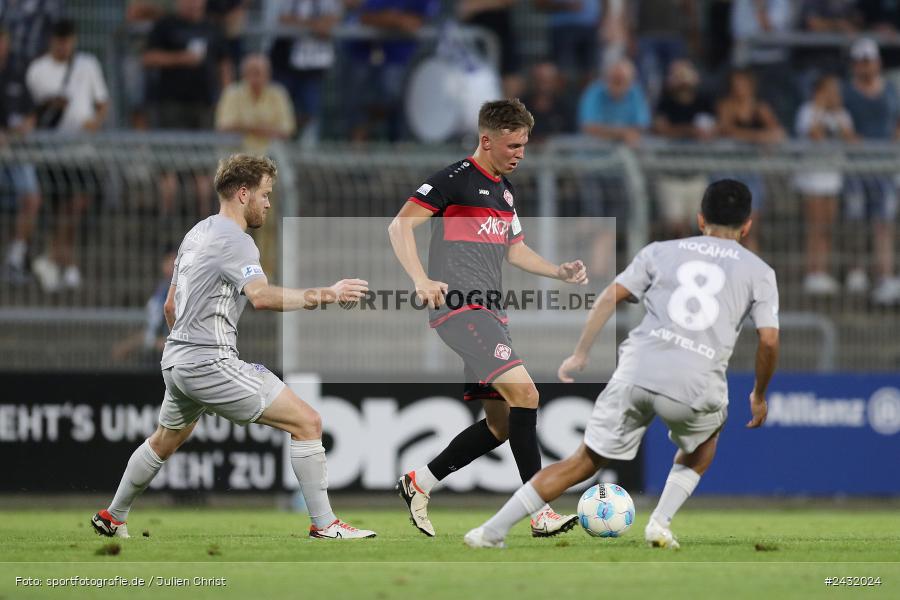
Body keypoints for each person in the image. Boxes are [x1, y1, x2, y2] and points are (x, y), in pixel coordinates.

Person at [465, 179, 779, 549]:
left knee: (582, 461)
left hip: (637, 369)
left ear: (699, 219)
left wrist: (581, 354)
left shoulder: (660, 251)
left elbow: (610, 297)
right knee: (704, 442)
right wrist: (758, 393)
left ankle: (490, 531)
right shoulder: (759, 271)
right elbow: (769, 339)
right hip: (696, 379)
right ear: (748, 225)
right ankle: (659, 524)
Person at [92, 154, 376, 541]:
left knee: (165, 439)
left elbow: (170, 306)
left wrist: (188, 357)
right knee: (307, 422)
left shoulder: (196, 233)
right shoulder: (236, 242)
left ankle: (114, 515)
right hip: (209, 360)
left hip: (176, 361)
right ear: (244, 193)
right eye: (265, 194)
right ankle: (325, 525)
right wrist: (329, 293)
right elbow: (260, 297)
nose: (268, 203)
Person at [388, 99, 588, 538]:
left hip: (489, 310)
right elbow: (399, 227)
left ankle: (419, 481)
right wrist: (421, 279)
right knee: (527, 394)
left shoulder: (505, 192)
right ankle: (540, 511)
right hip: (462, 307)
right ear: (486, 140)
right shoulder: (454, 180)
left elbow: (515, 250)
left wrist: (558, 271)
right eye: (513, 145)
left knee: (500, 426)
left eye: (524, 146)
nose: (520, 153)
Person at [25, 18, 108, 292]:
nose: (64, 45)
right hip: (51, 153)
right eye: (59, 39)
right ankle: (65, 262)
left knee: (78, 203)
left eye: (68, 39)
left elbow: (102, 103)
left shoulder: (88, 64)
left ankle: (54, 258)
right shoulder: (37, 70)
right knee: (60, 208)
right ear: (51, 40)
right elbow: (32, 114)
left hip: (82, 151)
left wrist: (94, 123)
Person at [841, 37, 900, 304]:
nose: (865, 66)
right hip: (855, 164)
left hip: (883, 164)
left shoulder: (889, 89)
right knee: (855, 218)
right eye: (860, 61)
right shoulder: (846, 91)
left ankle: (884, 274)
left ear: (877, 62)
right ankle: (856, 270)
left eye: (869, 60)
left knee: (883, 223)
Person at [793, 73, 855, 296]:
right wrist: (820, 108)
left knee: (827, 227)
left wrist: (836, 113)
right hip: (812, 178)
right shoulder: (807, 111)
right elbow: (814, 134)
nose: (833, 95)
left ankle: (823, 271)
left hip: (833, 177)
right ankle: (813, 272)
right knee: (815, 227)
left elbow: (851, 139)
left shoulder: (841, 114)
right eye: (828, 90)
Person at [0, 26, 40, 284]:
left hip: (15, 151)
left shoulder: (17, 71)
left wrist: (27, 125)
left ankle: (16, 257)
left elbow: (30, 112)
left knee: (32, 196)